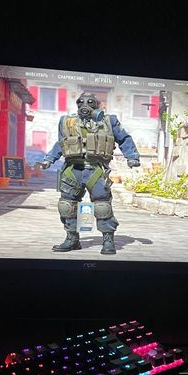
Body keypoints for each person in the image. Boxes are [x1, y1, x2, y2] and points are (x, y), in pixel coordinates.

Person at [40, 92, 141, 255]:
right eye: (81, 102)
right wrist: (49, 159)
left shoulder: (109, 121)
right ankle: (72, 238)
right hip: (73, 170)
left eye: (90, 102)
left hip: (96, 170)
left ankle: (108, 239)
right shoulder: (67, 122)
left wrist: (132, 157)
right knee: (67, 206)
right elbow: (61, 143)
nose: (85, 105)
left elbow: (124, 139)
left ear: (97, 105)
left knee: (102, 206)